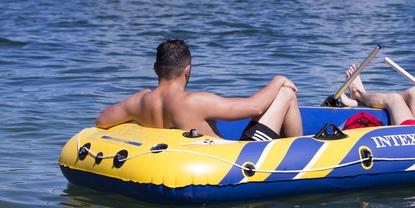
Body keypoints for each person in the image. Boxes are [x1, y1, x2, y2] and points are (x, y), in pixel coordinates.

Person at [95, 39, 303, 141]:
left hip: (179, 163)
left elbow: (101, 120)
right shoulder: (193, 102)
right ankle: (298, 155)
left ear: (155, 69)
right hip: (228, 164)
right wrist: (278, 80)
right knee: (286, 93)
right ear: (187, 71)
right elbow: (256, 107)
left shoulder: (139, 101)